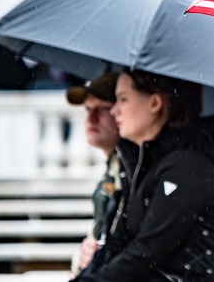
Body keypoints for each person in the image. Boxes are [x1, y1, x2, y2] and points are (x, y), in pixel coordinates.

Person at [73, 70, 214, 281]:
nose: (114, 110)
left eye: (122, 99)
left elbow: (147, 251)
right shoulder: (143, 163)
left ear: (154, 104)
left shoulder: (186, 166)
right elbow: (118, 244)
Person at [65, 72, 121, 275]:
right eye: (88, 109)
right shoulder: (114, 165)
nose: (91, 117)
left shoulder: (131, 169)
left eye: (103, 108)